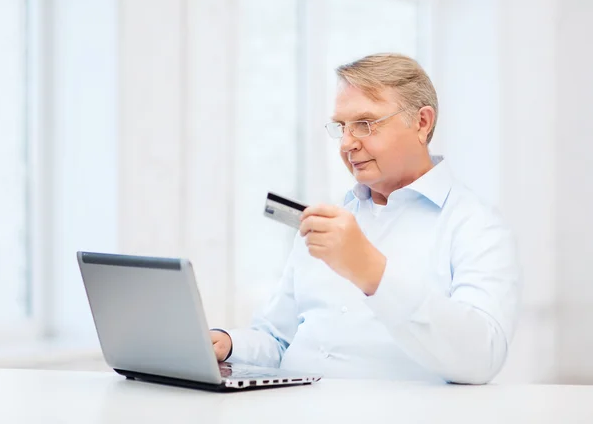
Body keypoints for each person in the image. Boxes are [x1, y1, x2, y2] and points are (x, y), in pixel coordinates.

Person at [211, 53, 521, 384]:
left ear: (422, 123)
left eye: (365, 124)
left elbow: (481, 359)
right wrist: (227, 345)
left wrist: (372, 272)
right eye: (342, 127)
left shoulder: (476, 226)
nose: (347, 143)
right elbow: (278, 339)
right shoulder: (331, 220)